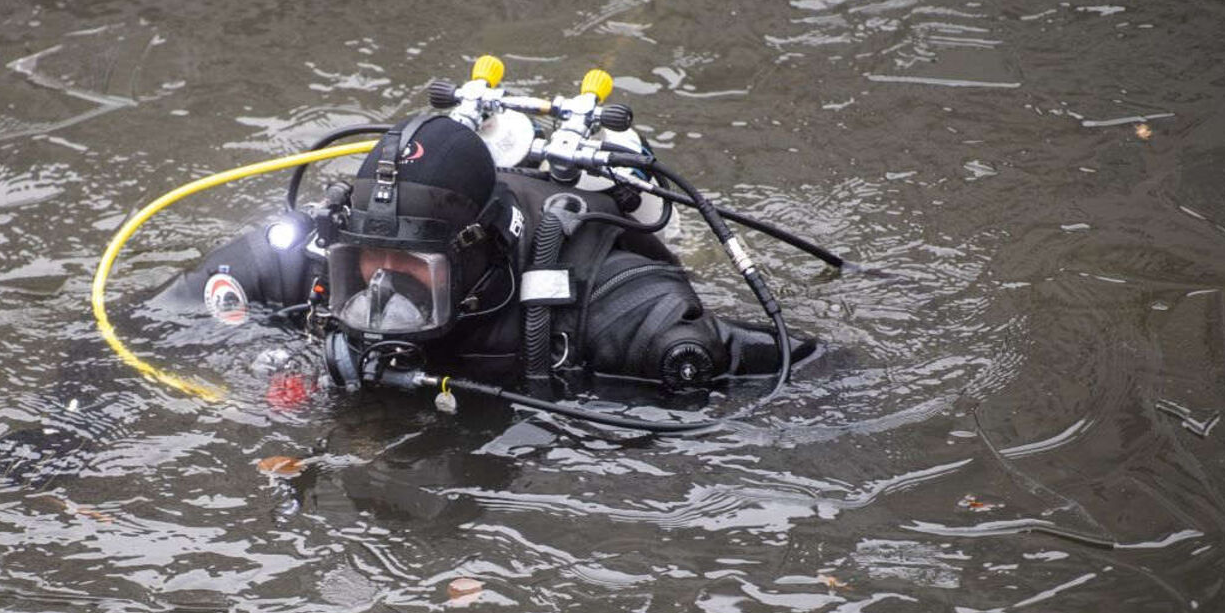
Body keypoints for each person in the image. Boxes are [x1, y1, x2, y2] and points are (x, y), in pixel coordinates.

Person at [156, 113, 818, 403]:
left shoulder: (612, 303)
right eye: (364, 264)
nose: (380, 293)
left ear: (477, 257)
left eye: (413, 272)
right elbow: (153, 322)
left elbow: (808, 370)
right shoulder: (316, 254)